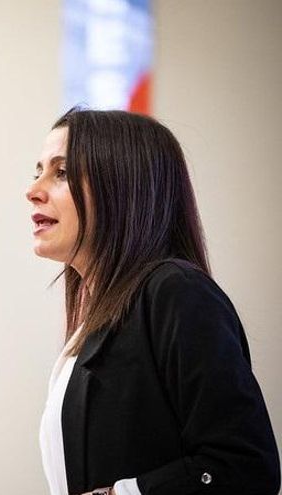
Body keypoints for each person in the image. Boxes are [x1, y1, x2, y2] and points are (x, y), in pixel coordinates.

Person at [27, 108, 280, 495]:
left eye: (61, 172)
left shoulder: (176, 291)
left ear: (121, 186)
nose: (33, 190)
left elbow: (245, 467)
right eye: (38, 171)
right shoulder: (96, 321)